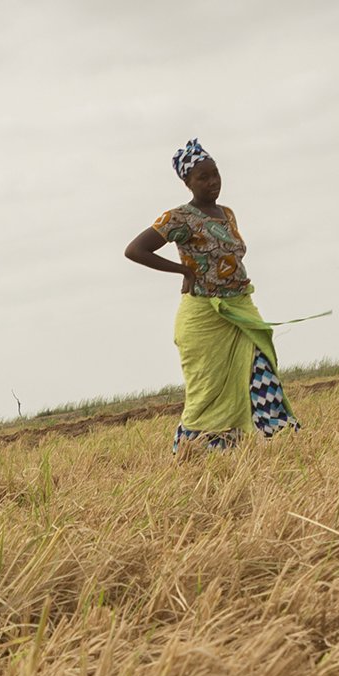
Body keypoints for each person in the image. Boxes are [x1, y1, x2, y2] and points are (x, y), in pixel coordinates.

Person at [123, 139, 302, 452]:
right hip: (204, 318)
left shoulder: (227, 214)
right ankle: (196, 452)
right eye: (203, 177)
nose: (212, 182)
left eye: (215, 174)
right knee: (208, 391)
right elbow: (135, 250)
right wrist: (185, 272)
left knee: (261, 370)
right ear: (187, 182)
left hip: (240, 309)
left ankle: (274, 442)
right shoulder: (179, 218)